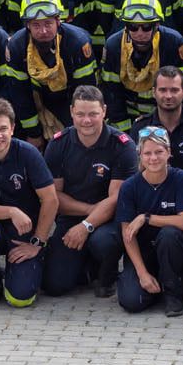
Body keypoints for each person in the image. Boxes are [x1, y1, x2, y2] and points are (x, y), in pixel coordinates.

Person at [0, 97, 60, 308]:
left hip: (24, 234)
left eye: (3, 129)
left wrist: (37, 242)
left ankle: (35, 263)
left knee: (20, 299)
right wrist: (11, 211)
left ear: (13, 128)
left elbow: (50, 199)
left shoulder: (28, 154)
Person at [42, 86, 134, 297]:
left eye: (93, 114)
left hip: (108, 221)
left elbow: (116, 199)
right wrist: (89, 211)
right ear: (72, 112)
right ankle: (84, 267)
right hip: (71, 218)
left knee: (103, 242)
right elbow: (53, 196)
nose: (87, 120)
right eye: (81, 114)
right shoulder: (58, 145)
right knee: (55, 285)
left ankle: (107, 277)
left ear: (104, 111)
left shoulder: (122, 146)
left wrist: (87, 225)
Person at [115, 126, 183, 316]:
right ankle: (153, 284)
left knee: (169, 234)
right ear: (140, 155)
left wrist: (146, 218)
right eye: (148, 153)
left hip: (173, 251)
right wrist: (142, 274)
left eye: (159, 152)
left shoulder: (181, 179)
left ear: (169, 152)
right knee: (131, 302)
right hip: (144, 254)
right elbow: (127, 235)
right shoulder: (129, 186)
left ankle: (172, 294)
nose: (153, 158)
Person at [0, 0, 96, 143]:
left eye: (48, 23)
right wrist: (34, 133)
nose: (43, 31)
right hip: (36, 99)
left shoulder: (77, 43)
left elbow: (85, 92)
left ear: (58, 21)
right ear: (27, 25)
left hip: (69, 97)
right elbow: (20, 94)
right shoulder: (16, 47)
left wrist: (77, 130)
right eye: (36, 25)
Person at [99, 0, 183, 126]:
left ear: (157, 25)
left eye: (146, 27)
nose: (140, 33)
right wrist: (124, 131)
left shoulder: (173, 43)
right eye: (133, 27)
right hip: (128, 116)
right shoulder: (113, 46)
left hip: (166, 115)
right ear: (126, 25)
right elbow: (112, 93)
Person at [131, 66, 183, 179]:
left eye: (174, 90)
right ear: (154, 92)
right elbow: (135, 171)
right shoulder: (140, 127)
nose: (168, 96)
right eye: (163, 90)